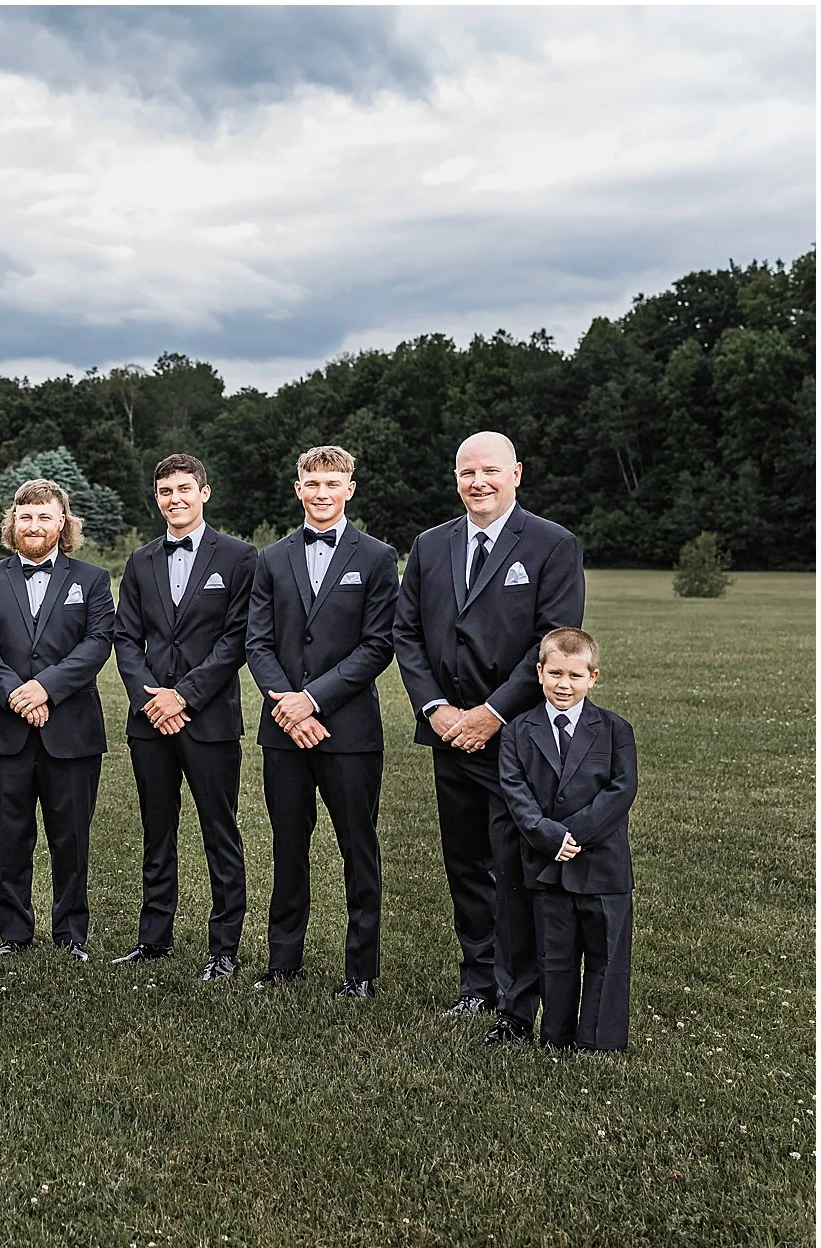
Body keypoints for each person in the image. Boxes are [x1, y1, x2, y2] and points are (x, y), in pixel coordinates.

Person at [394, 430, 585, 1043]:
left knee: (515, 865)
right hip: (448, 734)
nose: (478, 482)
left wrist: (492, 714)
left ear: (517, 474)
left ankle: (519, 996)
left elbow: (552, 641)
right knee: (465, 864)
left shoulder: (553, 545)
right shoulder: (430, 546)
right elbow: (408, 635)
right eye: (467, 472)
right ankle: (477, 985)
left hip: (517, 738)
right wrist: (436, 710)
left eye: (490, 471)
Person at [243, 446, 398, 997]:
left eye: (333, 482)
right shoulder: (272, 558)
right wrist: (287, 703)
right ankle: (284, 961)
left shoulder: (378, 557)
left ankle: (360, 972)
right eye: (312, 483)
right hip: (283, 729)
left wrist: (315, 700)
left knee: (358, 847)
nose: (322, 492)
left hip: (348, 730)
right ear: (298, 488)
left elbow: (379, 644)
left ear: (350, 488)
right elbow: (256, 641)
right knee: (288, 844)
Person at [112, 454, 258, 978]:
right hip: (150, 718)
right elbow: (126, 637)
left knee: (219, 830)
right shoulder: (140, 560)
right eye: (165, 491)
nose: (175, 499)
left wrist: (186, 696)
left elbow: (238, 638)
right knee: (157, 830)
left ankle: (224, 948)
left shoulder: (240, 557)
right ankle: (153, 939)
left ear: (205, 492)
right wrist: (151, 697)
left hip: (209, 717)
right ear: (157, 499)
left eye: (183, 489)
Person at [0, 478, 114, 961]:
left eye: (45, 516)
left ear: (62, 523)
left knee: (71, 837)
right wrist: (15, 694)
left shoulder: (91, 579)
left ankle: (71, 934)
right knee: (10, 836)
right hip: (5, 730)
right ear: (13, 522)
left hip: (71, 730)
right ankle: (14, 933)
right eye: (25, 517)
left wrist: (46, 688)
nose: (34, 525)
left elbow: (97, 642)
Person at [498, 628, 636, 1053]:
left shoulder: (614, 729)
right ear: (539, 672)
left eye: (575, 676)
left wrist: (574, 834)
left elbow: (622, 789)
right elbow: (515, 791)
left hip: (603, 865)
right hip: (546, 864)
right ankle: (555, 1037)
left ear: (593, 677)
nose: (564, 684)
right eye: (555, 673)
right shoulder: (518, 731)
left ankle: (599, 1040)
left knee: (607, 956)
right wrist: (549, 836)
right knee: (554, 957)